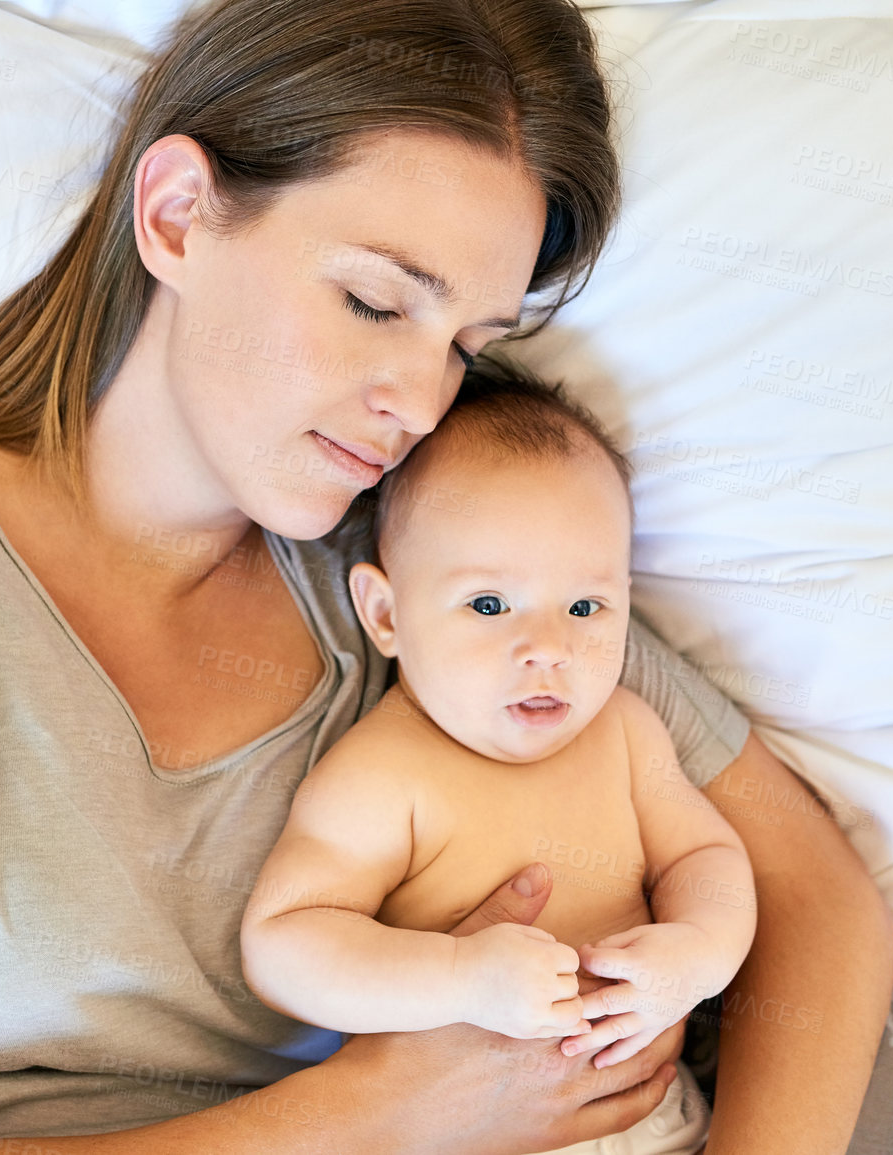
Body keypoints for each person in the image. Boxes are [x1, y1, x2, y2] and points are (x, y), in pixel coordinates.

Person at [0, 0, 893, 1151]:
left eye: (463, 340)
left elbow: (816, 903)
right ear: (175, 213)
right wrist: (376, 1113)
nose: (414, 398)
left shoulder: (426, 566)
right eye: (376, 302)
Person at [238, 364, 759, 1155]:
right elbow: (284, 945)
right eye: (488, 604)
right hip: (452, 1131)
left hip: (648, 1120)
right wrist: (458, 976)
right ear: (385, 614)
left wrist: (700, 953)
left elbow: (705, 852)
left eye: (585, 606)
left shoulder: (622, 731)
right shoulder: (382, 775)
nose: (547, 648)